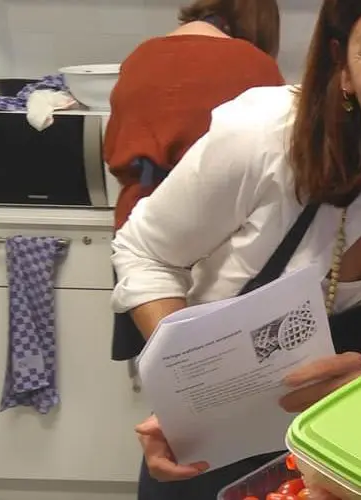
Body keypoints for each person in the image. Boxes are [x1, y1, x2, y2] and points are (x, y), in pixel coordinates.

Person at [112, 0, 361, 496]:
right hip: (209, 460)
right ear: (343, 68)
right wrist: (187, 386)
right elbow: (146, 252)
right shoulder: (266, 139)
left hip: (360, 471)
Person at [106, 0, 284, 361]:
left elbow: (114, 151)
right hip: (215, 238)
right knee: (225, 362)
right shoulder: (254, 65)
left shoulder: (140, 57)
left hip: (139, 226)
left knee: (159, 358)